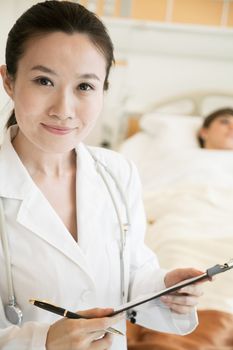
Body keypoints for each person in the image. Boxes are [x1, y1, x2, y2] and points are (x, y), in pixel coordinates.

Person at [0, 1, 204, 349]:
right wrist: (43, 342)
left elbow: (133, 273)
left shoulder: (118, 172)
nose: (64, 110)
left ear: (104, 90)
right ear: (8, 80)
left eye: (85, 87)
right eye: (43, 80)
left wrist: (165, 288)